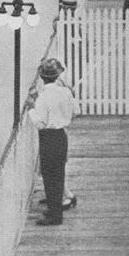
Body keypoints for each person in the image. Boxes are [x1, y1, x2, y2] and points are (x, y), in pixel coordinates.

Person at [28, 57, 79, 226]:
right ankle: (55, 207)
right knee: (58, 173)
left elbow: (40, 123)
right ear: (57, 76)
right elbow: (76, 111)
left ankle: (55, 216)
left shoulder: (43, 97)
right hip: (61, 136)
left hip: (48, 137)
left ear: (42, 78)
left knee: (50, 176)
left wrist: (30, 109)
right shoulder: (65, 92)